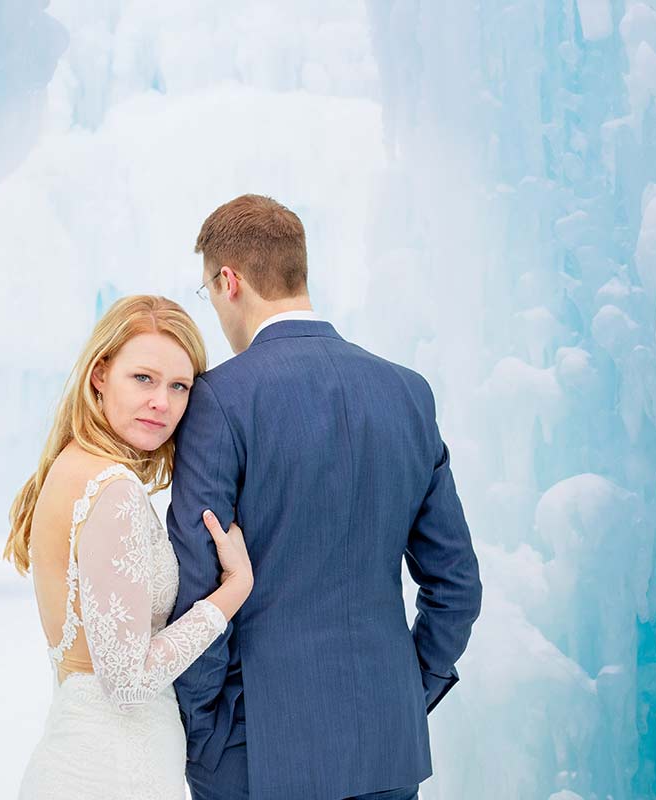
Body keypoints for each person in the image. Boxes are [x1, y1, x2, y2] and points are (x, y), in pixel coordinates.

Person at [168, 194, 483, 800]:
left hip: (254, 752)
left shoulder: (218, 398)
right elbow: (457, 586)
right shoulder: (408, 393)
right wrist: (410, 691)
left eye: (206, 292)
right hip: (387, 744)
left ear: (228, 281)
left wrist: (205, 731)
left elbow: (197, 578)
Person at [7, 295, 253, 799]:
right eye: (143, 378)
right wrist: (233, 591)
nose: (162, 402)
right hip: (113, 775)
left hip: (84, 759)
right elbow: (127, 680)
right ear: (100, 374)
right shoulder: (111, 487)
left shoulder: (71, 466)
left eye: (179, 386)